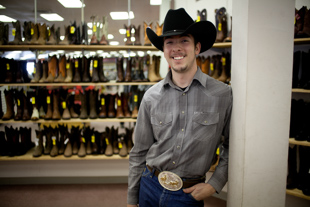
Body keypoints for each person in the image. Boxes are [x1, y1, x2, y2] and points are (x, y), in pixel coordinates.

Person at [127, 8, 232, 207]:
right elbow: (139, 151)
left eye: (184, 41)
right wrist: (132, 199)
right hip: (149, 186)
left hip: (188, 195)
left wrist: (214, 184)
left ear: (197, 47)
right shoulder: (151, 96)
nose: (176, 48)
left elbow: (231, 147)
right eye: (169, 43)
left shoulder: (222, 95)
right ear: (164, 51)